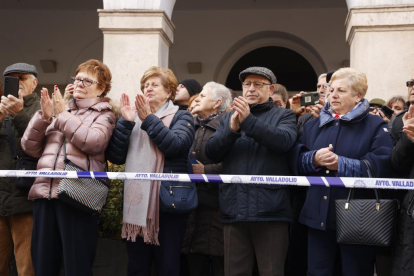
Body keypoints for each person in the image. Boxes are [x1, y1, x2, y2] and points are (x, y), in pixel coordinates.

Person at [292, 68, 393, 276]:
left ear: (358, 96)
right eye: (331, 90)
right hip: (317, 215)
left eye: (341, 90)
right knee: (317, 272)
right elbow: (295, 159)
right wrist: (314, 159)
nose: (333, 95)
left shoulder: (375, 124)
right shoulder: (313, 124)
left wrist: (342, 164)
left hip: (358, 218)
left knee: (355, 271)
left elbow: (382, 164)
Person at [21, 59, 116, 275]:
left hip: (76, 195)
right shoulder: (60, 110)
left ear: (101, 88)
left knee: (77, 263)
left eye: (87, 80)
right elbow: (29, 148)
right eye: (78, 78)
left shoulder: (104, 114)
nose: (80, 83)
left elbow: (95, 142)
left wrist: (62, 115)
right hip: (45, 192)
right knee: (43, 262)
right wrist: (44, 118)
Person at [206, 66, 297, 276]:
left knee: (271, 271)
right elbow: (212, 152)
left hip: (270, 210)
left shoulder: (284, 115)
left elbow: (283, 141)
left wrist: (249, 121)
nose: (251, 89)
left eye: (258, 84)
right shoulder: (228, 118)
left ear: (271, 89)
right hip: (234, 208)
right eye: (247, 84)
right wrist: (232, 130)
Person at [105, 66, 195, 276]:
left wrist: (149, 120)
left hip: (168, 204)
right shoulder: (133, 118)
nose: (149, 89)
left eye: (155, 85)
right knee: (137, 267)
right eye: (146, 85)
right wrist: (126, 123)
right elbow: (116, 157)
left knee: (168, 267)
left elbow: (176, 146)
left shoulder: (183, 117)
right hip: (136, 206)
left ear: (169, 92)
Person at [182, 81, 231, 276]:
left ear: (217, 102)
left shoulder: (230, 125)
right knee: (194, 259)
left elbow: (236, 161)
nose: (197, 99)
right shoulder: (190, 123)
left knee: (219, 259)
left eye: (203, 96)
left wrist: (207, 171)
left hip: (218, 202)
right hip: (192, 201)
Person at [0, 63, 40, 276]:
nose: (17, 83)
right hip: (0, 199)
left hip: (24, 200)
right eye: (11, 79)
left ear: (34, 83)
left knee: (27, 267)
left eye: (21, 78)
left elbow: (40, 144)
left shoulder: (41, 108)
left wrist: (18, 114)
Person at [391, 74, 414, 276]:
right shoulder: (400, 121)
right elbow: (396, 166)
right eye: (411, 83)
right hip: (409, 209)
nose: (413, 87)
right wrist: (408, 139)